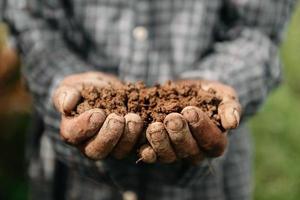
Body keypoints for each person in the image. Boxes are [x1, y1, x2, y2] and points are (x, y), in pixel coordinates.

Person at [1, 0, 296, 199]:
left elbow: (255, 32)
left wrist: (217, 88)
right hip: (71, 184)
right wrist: (63, 86)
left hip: (208, 188)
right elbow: (32, 24)